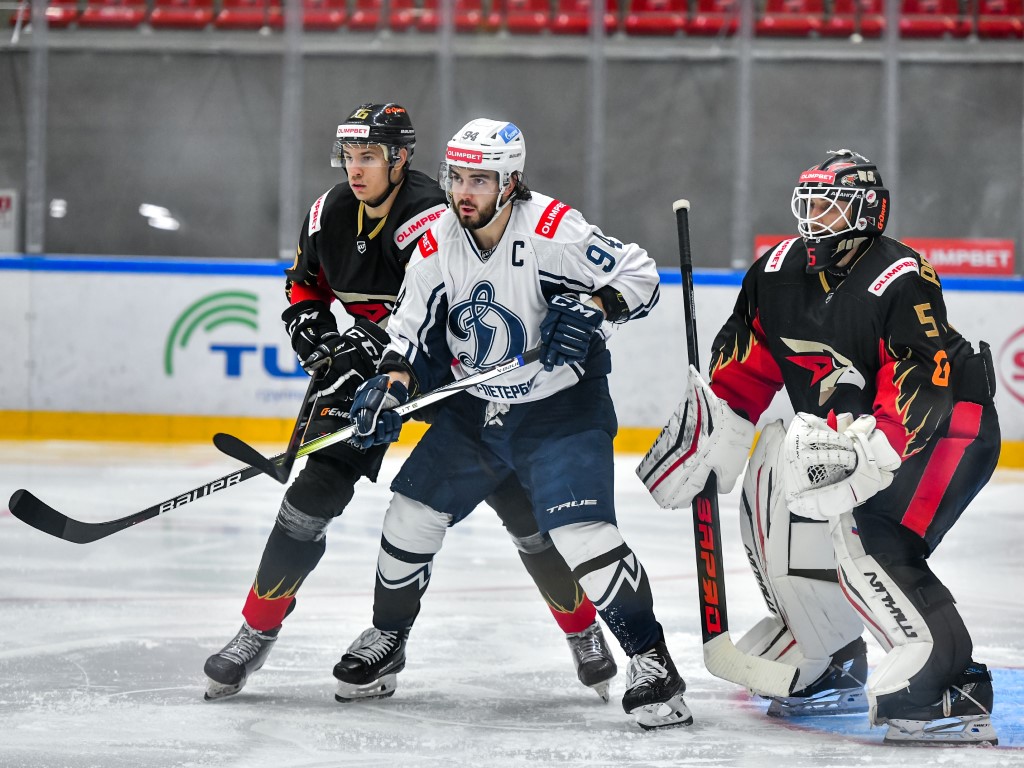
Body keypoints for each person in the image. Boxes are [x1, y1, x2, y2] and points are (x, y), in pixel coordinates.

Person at [203, 104, 617, 703]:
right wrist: (309, 325)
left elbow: (435, 316)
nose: (355, 169)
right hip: (375, 379)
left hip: (453, 381)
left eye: (368, 156)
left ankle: (582, 629)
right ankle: (256, 629)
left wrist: (368, 346)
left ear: (400, 160)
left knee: (523, 512)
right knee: (313, 494)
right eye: (349, 156)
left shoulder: (436, 216)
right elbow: (305, 282)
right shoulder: (327, 215)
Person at [333, 118, 691, 731]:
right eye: (456, 178)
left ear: (512, 182)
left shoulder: (556, 230)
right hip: (475, 413)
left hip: (559, 411)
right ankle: (387, 637)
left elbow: (641, 276)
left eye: (480, 179)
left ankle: (652, 661)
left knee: (580, 533)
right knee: (409, 514)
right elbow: (409, 334)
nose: (463, 191)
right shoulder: (436, 241)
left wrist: (594, 307)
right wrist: (389, 386)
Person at [639, 149, 1000, 745]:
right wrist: (712, 434)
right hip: (852, 434)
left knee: (875, 540)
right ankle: (831, 659)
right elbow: (744, 368)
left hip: (946, 428)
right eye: (810, 204)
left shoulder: (901, 275)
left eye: (832, 206)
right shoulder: (775, 273)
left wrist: (875, 452)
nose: (816, 218)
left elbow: (921, 375)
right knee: (770, 493)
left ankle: (950, 689)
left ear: (869, 213)